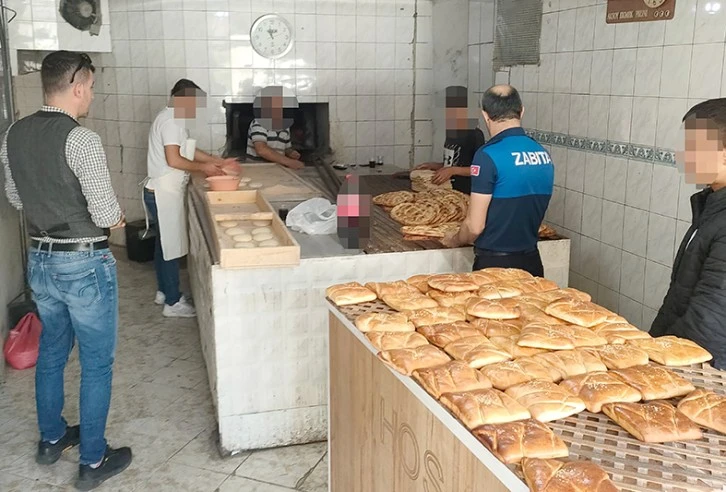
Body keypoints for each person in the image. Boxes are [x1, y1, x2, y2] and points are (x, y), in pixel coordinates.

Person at [2, 51, 131, 490]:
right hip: (83, 262)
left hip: (40, 259)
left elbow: (16, 198)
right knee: (96, 363)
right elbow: (106, 212)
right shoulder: (81, 139)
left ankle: (52, 439)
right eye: (91, 87)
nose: (92, 94)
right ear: (77, 87)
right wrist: (116, 219)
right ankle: (93, 460)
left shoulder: (13, 133)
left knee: (53, 351)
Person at [144, 79, 237, 318]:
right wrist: (204, 169)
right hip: (163, 193)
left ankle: (164, 291)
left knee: (163, 244)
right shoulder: (171, 121)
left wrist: (216, 161)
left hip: (161, 191)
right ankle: (172, 303)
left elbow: (188, 150)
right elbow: (174, 160)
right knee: (171, 246)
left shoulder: (172, 118)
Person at [442, 85, 554, 277]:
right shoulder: (542, 153)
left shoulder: (488, 155)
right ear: (522, 111)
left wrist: (455, 239)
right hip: (532, 263)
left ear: (485, 115)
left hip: (494, 266)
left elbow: (475, 226)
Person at [651, 98, 726, 369]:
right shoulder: (712, 205)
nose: (682, 155)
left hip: (703, 370)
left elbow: (709, 323)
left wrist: (660, 365)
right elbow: (679, 296)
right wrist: (652, 344)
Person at [414, 86, 486, 194]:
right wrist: (434, 166)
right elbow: (453, 163)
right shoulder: (451, 133)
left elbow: (479, 169)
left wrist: (453, 171)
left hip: (465, 193)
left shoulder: (475, 135)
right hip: (447, 191)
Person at [245, 85, 304, 170]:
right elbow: (261, 150)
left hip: (277, 170)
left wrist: (291, 153)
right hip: (257, 170)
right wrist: (289, 162)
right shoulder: (259, 122)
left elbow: (287, 148)